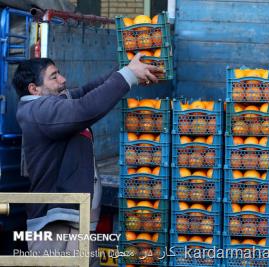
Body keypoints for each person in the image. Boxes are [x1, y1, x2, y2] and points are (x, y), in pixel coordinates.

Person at [12, 54, 162, 265]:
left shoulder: (53, 103)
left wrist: (128, 70)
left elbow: (86, 92)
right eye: (54, 77)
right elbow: (84, 108)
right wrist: (128, 75)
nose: (62, 80)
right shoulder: (38, 111)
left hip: (75, 225)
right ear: (34, 89)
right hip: (56, 229)